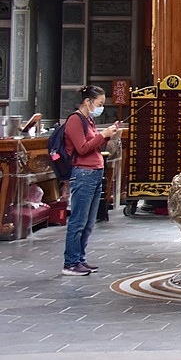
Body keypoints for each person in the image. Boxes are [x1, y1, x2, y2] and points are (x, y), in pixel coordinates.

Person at [61, 85, 120, 277]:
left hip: (95, 172)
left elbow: (94, 145)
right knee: (78, 221)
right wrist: (102, 135)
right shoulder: (74, 121)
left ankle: (80, 259)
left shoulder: (89, 120)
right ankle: (70, 262)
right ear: (88, 101)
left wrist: (107, 135)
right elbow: (83, 148)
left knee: (88, 223)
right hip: (83, 173)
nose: (101, 107)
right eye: (99, 103)